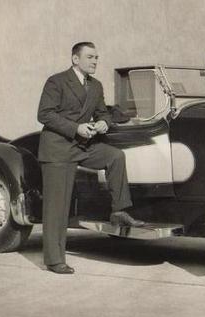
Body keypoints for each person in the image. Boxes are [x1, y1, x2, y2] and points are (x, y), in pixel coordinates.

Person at [37, 41, 144, 275]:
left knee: (115, 156)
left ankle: (118, 210)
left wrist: (104, 121)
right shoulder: (57, 81)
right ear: (75, 59)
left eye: (97, 57)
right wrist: (75, 128)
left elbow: (103, 112)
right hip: (58, 148)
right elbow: (44, 114)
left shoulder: (95, 86)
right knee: (57, 207)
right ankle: (54, 260)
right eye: (90, 57)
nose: (95, 61)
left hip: (82, 146)